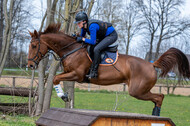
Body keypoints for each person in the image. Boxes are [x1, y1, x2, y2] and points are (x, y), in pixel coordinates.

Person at [75, 11, 118, 79]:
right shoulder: (83, 27)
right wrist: (76, 38)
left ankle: (94, 72)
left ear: (84, 21)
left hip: (111, 35)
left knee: (97, 49)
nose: (78, 24)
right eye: (77, 23)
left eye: (79, 22)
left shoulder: (92, 26)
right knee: (90, 48)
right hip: (103, 36)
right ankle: (90, 68)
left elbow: (92, 42)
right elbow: (81, 37)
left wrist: (82, 39)